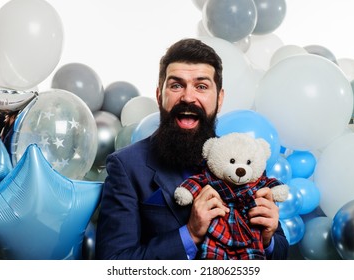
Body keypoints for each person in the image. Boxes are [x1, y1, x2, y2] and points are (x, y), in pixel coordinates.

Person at [95, 38, 289, 260]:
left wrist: (268, 240)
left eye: (202, 86)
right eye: (176, 85)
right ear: (160, 96)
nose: (188, 97)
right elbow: (113, 263)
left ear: (220, 99)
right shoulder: (126, 166)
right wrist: (189, 234)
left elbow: (281, 252)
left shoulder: (244, 158)